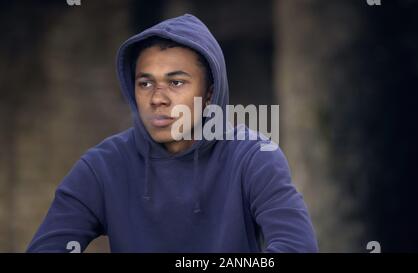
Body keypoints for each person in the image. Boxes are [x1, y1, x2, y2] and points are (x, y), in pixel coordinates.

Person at [27, 14, 318, 253]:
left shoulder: (253, 156)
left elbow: (297, 246)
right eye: (145, 83)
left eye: (176, 83)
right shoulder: (102, 167)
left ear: (209, 94)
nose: (157, 98)